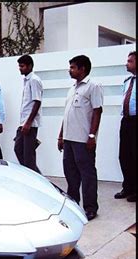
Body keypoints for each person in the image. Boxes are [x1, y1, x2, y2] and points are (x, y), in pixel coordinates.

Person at [57, 55, 103, 221]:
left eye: (73, 67)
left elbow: (97, 111)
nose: (70, 70)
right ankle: (73, 205)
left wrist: (92, 135)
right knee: (70, 174)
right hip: (69, 139)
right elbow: (67, 114)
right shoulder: (72, 88)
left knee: (87, 174)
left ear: (82, 69)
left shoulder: (93, 86)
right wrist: (61, 135)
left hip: (83, 140)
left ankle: (90, 208)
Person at [14, 55, 43, 173]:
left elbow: (37, 102)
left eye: (22, 66)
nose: (20, 68)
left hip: (29, 125)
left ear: (30, 66)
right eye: (19, 66)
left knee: (28, 157)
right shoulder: (27, 81)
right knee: (18, 149)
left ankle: (37, 179)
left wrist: (28, 123)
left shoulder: (34, 80)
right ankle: (30, 174)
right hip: (24, 123)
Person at [115, 51, 136, 203]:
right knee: (124, 155)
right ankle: (127, 187)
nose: (126, 63)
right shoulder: (127, 81)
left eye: (129, 61)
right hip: (126, 121)